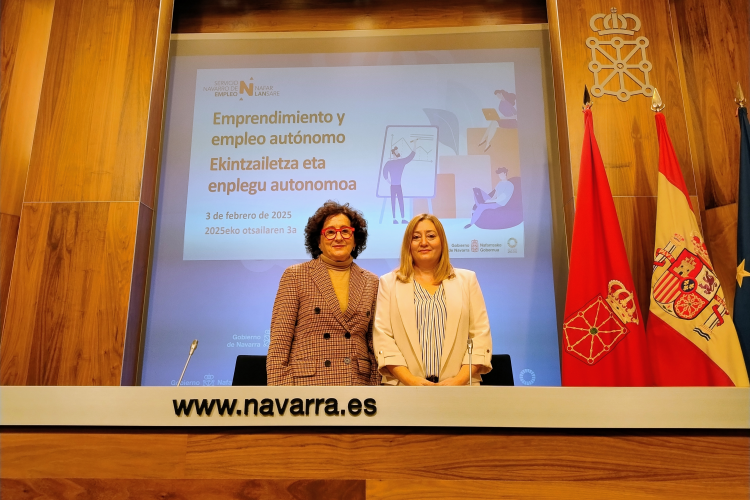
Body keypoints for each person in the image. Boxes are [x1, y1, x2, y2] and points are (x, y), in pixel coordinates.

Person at [267, 201, 380, 385]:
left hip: (358, 387)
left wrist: (377, 392)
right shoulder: (295, 275)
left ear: (355, 239)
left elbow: (374, 345)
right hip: (307, 387)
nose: (338, 237)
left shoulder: (372, 281)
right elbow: (280, 343)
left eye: (345, 231)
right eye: (330, 232)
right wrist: (280, 395)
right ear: (318, 241)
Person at [373, 214, 493, 385]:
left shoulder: (467, 280)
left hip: (460, 389)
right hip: (404, 390)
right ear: (408, 244)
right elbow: (383, 337)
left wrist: (458, 381)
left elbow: (480, 336)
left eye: (431, 236)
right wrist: (410, 380)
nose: (423, 242)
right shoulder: (388, 283)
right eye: (416, 237)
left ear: (442, 241)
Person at [382, 139, 417, 224]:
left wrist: (415, 145)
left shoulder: (401, 162)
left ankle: (403, 218)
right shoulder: (389, 163)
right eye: (397, 152)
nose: (398, 153)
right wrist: (388, 181)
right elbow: (384, 172)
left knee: (401, 201)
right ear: (393, 153)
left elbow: (410, 156)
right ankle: (394, 218)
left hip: (398, 185)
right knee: (393, 201)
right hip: (393, 186)